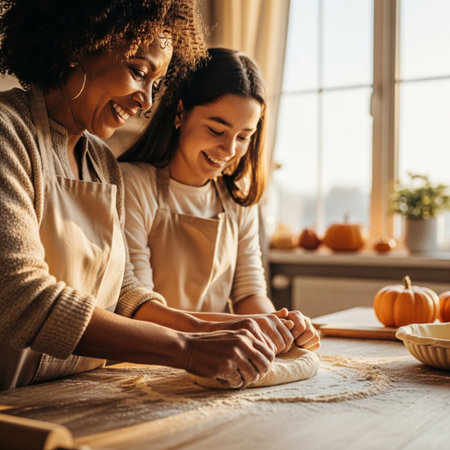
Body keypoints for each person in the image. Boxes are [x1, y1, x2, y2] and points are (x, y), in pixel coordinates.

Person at [0, 1, 277, 391]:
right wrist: (187, 347)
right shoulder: (8, 136)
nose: (146, 101)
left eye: (156, 84)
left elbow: (126, 294)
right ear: (79, 45)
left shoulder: (100, 161)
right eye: (137, 72)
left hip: (78, 393)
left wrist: (219, 329)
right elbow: (24, 299)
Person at [119, 48, 321, 353]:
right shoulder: (131, 183)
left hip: (218, 352)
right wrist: (237, 327)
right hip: (148, 354)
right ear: (180, 113)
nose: (228, 149)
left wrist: (280, 326)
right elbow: (139, 307)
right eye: (216, 130)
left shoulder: (237, 198)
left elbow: (248, 293)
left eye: (243, 137)